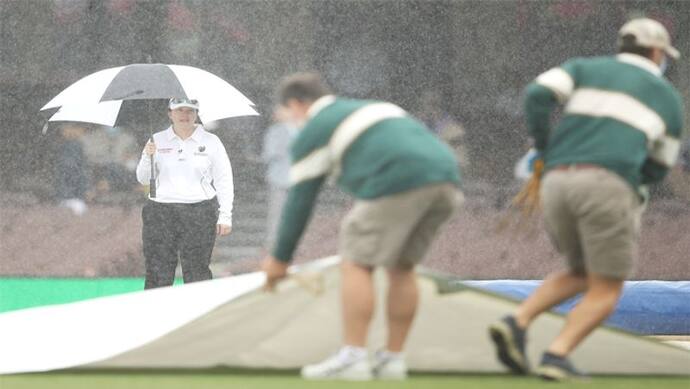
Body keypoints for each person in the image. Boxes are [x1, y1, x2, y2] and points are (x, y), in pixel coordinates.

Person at [488, 18, 684, 381]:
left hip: (557, 181)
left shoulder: (584, 68)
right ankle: (557, 354)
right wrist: (635, 183)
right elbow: (659, 167)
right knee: (608, 284)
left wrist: (546, 147)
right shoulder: (666, 98)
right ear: (657, 53)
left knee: (580, 273)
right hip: (607, 184)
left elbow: (536, 96)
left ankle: (516, 321)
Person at [261, 73, 463, 380]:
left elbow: (300, 200)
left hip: (399, 179)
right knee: (401, 267)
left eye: (287, 112)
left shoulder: (314, 128)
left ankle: (353, 357)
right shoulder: (368, 107)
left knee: (356, 262)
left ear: (298, 104)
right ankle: (393, 360)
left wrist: (279, 259)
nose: (290, 120)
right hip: (447, 178)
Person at [136, 98, 234, 289]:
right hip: (160, 211)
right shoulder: (156, 139)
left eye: (190, 111)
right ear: (169, 114)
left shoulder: (211, 141)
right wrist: (148, 156)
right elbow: (142, 178)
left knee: (197, 270)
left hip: (199, 210)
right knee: (158, 270)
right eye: (179, 110)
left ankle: (199, 315)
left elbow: (224, 179)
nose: (184, 115)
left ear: (197, 114)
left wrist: (225, 215)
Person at [261, 105, 298, 248]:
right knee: (277, 213)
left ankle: (293, 242)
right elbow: (269, 153)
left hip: (297, 178)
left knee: (295, 213)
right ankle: (274, 244)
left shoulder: (301, 128)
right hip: (279, 178)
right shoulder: (275, 131)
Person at [55, 123, 89, 216]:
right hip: (71, 194)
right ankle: (69, 198)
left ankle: (70, 198)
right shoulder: (66, 146)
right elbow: (69, 170)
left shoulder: (80, 144)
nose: (71, 131)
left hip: (76, 194)